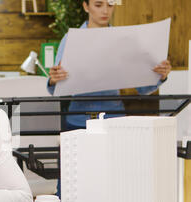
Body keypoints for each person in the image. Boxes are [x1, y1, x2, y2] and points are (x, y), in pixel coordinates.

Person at [47, 0, 172, 130]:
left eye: (110, 5)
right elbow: (54, 88)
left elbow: (143, 89)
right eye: (98, 5)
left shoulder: (124, 40)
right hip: (78, 121)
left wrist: (159, 75)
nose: (105, 11)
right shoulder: (70, 39)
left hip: (114, 120)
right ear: (86, 6)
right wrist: (54, 80)